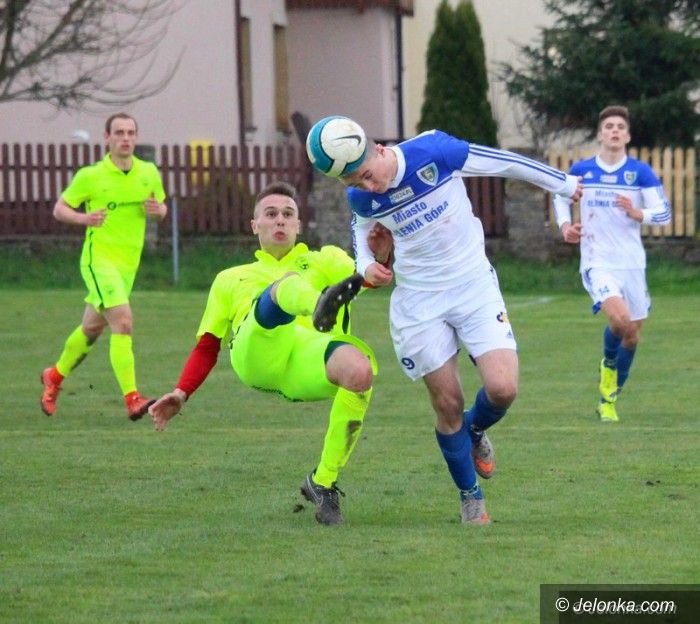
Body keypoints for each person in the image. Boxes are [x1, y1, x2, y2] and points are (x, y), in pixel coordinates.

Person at [307, 116, 583, 524]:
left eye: (367, 175)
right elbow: (361, 233)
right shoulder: (361, 197)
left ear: (378, 149)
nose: (369, 188)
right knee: (447, 402)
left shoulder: (433, 151)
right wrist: (368, 266)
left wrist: (563, 183)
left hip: (473, 286)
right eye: (355, 184)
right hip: (419, 303)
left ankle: (473, 431)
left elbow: (504, 162)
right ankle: (471, 497)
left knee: (503, 388)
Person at [148, 181, 376, 526]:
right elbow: (207, 345)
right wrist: (182, 392)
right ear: (255, 225)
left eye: (287, 214)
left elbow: (368, 277)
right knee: (284, 287)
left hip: (305, 357)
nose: (279, 220)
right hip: (256, 353)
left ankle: (323, 481)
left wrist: (380, 256)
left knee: (361, 371)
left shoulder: (324, 260)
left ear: (299, 224)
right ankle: (319, 304)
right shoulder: (231, 278)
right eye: (270, 214)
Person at [40, 113, 167, 420]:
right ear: (106, 138)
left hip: (128, 266)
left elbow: (161, 209)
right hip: (99, 262)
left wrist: (157, 211)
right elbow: (59, 209)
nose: (126, 138)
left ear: (136, 137)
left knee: (92, 328)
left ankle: (54, 377)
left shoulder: (148, 172)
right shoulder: (91, 176)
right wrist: (84, 218)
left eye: (131, 132)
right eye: (119, 132)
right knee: (123, 322)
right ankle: (133, 398)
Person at [553, 105, 671, 422]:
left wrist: (638, 213)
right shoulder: (582, 170)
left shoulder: (640, 172)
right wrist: (565, 226)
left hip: (632, 264)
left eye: (620, 126)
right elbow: (560, 196)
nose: (614, 131)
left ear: (628, 135)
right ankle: (608, 365)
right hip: (598, 261)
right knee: (619, 321)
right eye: (609, 126)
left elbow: (664, 213)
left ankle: (609, 397)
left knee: (631, 335)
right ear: (600, 134)